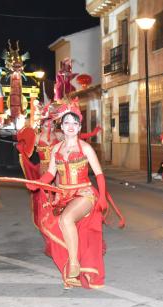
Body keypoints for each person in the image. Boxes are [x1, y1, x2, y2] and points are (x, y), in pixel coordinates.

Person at [18, 101, 121, 289]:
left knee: (66, 220)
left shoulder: (85, 148)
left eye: (74, 123)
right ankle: (72, 273)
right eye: (67, 123)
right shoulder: (56, 149)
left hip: (85, 193)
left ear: (79, 127)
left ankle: (74, 264)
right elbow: (50, 174)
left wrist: (103, 197)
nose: (71, 127)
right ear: (62, 126)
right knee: (56, 226)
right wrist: (37, 183)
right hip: (64, 195)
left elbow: (99, 174)